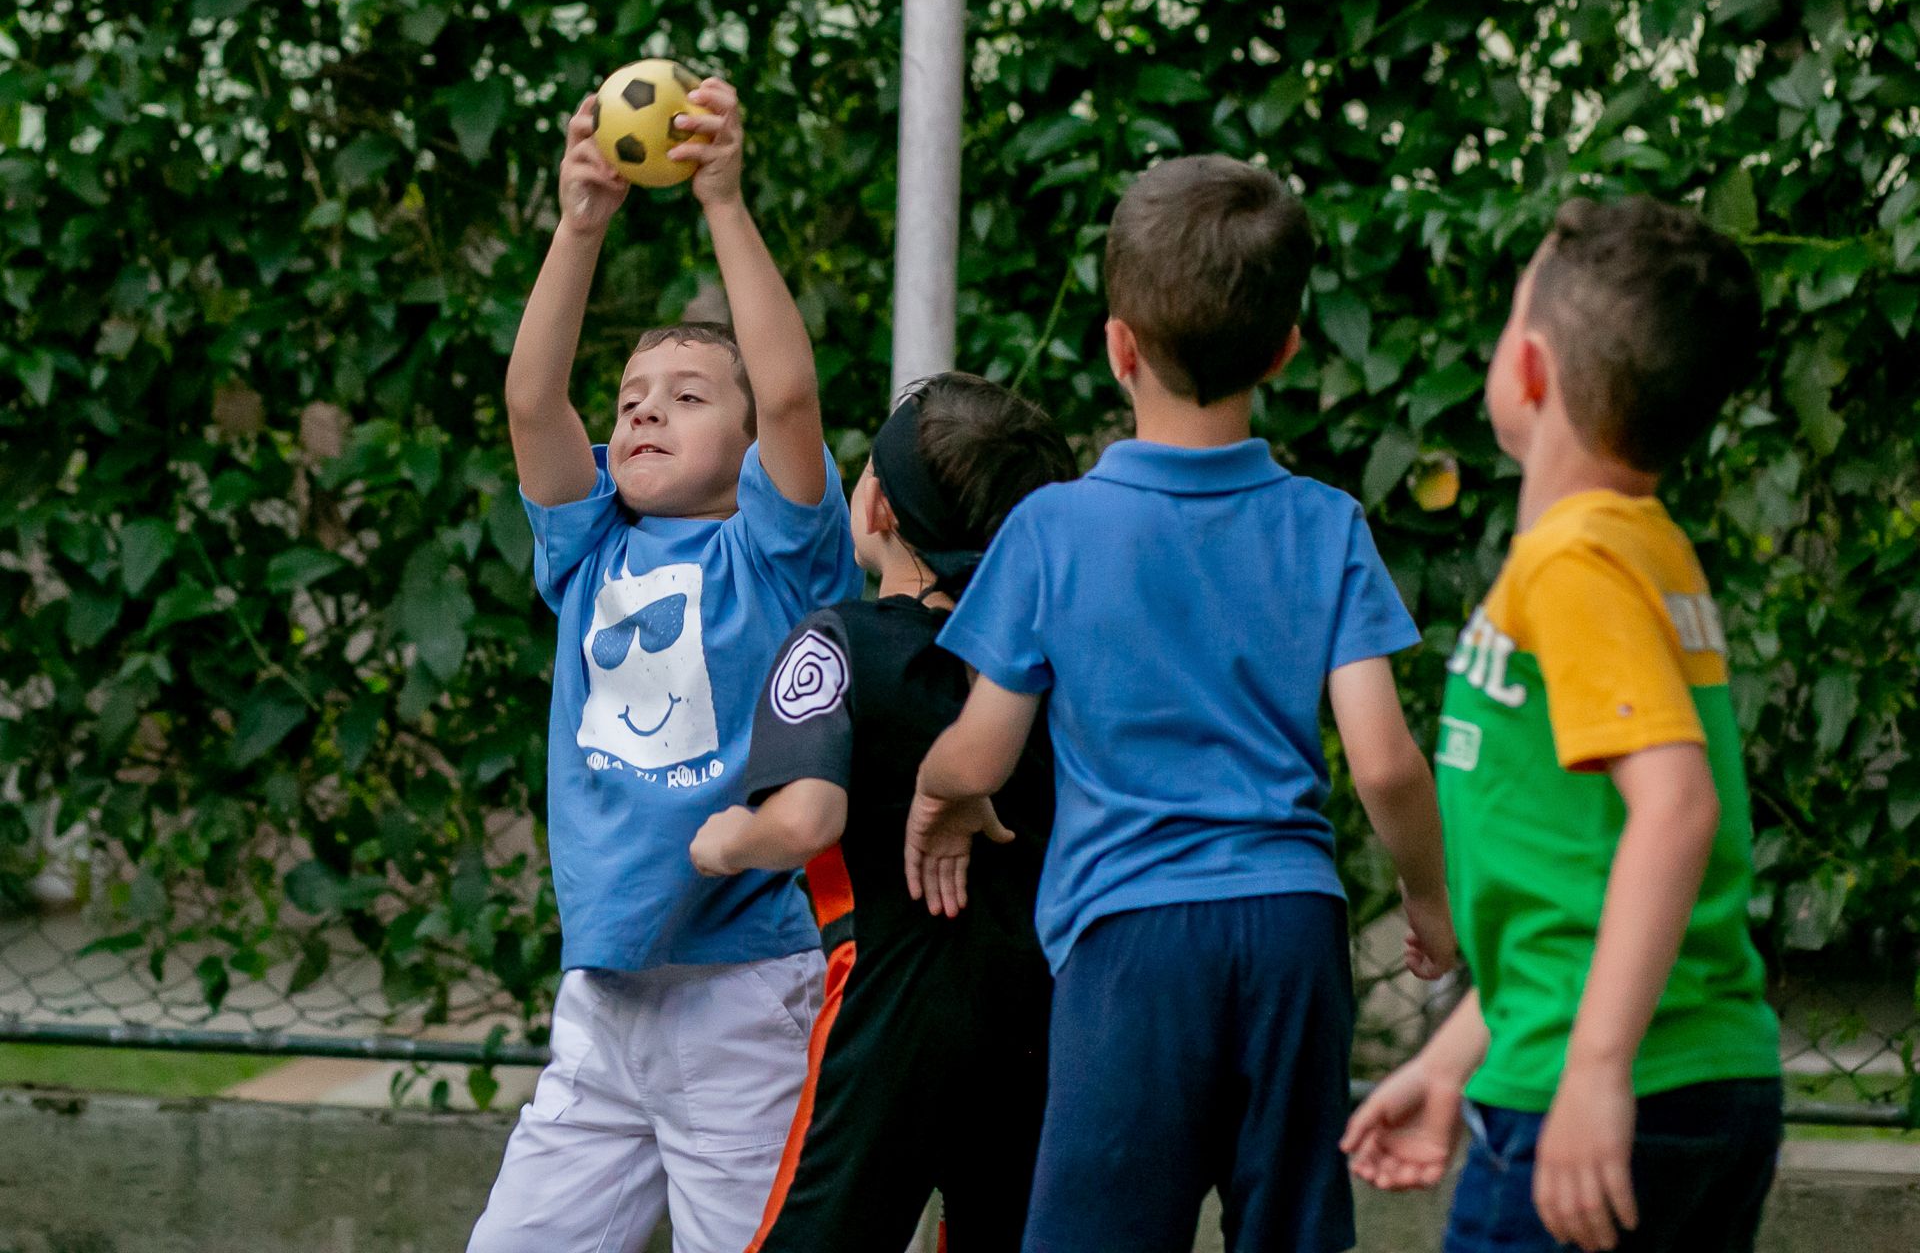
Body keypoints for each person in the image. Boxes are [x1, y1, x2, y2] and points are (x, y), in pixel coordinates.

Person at [905, 155, 1457, 1253]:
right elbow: (1387, 762)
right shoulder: (1326, 523)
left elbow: (982, 748)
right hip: (1295, 929)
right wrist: (1429, 899)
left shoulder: (1054, 529)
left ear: (1119, 344)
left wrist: (938, 796)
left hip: (1130, 941)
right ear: (1288, 347)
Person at [1341, 197, 1782, 1253]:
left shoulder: (1575, 561)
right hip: (1678, 1070)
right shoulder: (1639, 551)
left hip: (1607, 1090)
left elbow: (1676, 809)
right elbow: (1577, 896)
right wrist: (1458, 1062)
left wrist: (1589, 1072)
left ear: (1530, 369)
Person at [467, 77, 861, 1253]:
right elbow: (533, 395)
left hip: (741, 992)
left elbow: (788, 390)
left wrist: (724, 201)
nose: (644, 413)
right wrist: (578, 220)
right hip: (603, 997)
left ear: (746, 452)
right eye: (633, 399)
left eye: (688, 398)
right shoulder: (588, 551)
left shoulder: (776, 553)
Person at [688, 373, 1077, 1252]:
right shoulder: (1046, 667)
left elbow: (809, 820)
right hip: (1035, 1014)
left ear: (882, 510)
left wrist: (726, 843)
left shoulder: (838, 639)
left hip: (890, 1011)